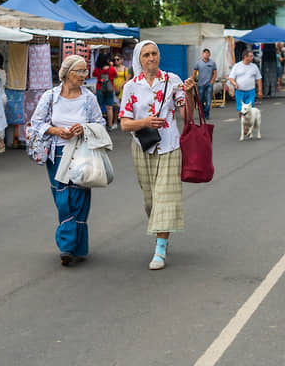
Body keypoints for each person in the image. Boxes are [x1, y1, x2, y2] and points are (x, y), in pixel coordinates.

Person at [118, 41, 196, 270]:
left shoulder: (173, 81)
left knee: (165, 196)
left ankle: (160, 248)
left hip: (170, 145)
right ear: (139, 59)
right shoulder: (131, 86)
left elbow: (187, 116)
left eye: (154, 54)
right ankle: (161, 234)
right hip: (142, 146)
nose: (151, 58)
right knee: (151, 200)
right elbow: (124, 124)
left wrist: (189, 94)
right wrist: (145, 122)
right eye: (146, 55)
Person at [29, 55, 105, 266]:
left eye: (84, 71)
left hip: (81, 153)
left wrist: (84, 129)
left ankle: (68, 246)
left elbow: (100, 124)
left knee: (79, 197)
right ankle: (74, 244)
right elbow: (36, 123)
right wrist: (55, 130)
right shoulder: (50, 96)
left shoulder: (89, 98)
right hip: (56, 153)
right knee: (62, 197)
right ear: (66, 72)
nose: (83, 75)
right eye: (79, 71)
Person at [228, 49, 263, 118]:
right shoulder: (237, 66)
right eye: (251, 56)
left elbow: (259, 79)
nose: (252, 58)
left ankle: (246, 126)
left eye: (252, 56)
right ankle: (243, 121)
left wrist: (260, 91)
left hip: (250, 92)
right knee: (241, 110)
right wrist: (234, 84)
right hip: (239, 92)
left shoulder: (254, 67)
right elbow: (231, 78)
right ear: (245, 57)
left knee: (248, 110)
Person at [93, 54, 118, 130]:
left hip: (99, 88)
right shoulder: (111, 69)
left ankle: (99, 125)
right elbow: (115, 76)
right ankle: (110, 125)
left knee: (99, 107)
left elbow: (93, 75)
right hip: (110, 88)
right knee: (109, 108)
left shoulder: (97, 69)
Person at [191, 48, 217, 119]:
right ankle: (202, 113)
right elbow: (194, 72)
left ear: (209, 55)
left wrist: (212, 81)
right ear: (202, 54)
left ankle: (206, 114)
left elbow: (215, 73)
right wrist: (192, 80)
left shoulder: (212, 63)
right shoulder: (198, 63)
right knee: (200, 100)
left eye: (207, 53)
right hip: (200, 84)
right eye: (205, 53)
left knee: (208, 101)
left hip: (209, 84)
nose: (206, 54)